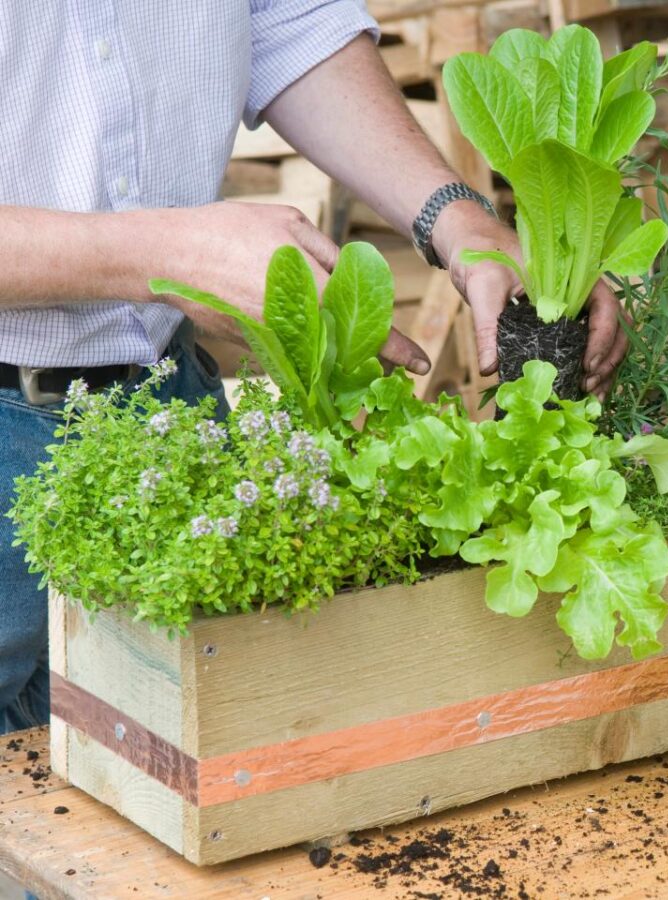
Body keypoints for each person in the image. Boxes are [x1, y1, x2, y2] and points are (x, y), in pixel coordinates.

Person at [0, 1, 628, 735]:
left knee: (165, 800)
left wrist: (459, 220)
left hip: (171, 422)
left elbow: (290, 24)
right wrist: (162, 253)